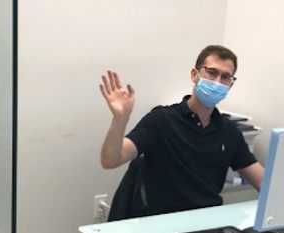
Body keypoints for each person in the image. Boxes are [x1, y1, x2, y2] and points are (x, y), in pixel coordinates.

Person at [99, 45, 264, 216]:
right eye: (212, 72)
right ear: (195, 75)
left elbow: (263, 183)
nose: (217, 82)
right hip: (158, 223)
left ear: (230, 84)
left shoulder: (229, 132)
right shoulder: (161, 120)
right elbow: (111, 160)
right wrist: (120, 119)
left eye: (226, 77)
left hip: (205, 223)